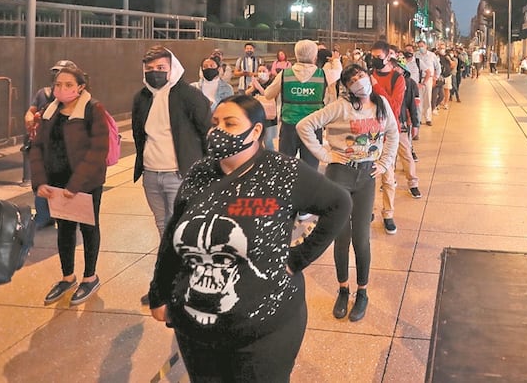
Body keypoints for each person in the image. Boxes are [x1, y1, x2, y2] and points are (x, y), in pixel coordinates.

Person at [148, 95, 351, 383]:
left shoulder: (282, 171)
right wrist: (159, 292)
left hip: (262, 335)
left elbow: (339, 203)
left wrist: (297, 258)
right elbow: (172, 237)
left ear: (256, 131)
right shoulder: (198, 173)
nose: (218, 131)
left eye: (230, 123)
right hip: (195, 332)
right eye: (215, 123)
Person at [296, 64, 398, 322]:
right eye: (352, 80)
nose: (358, 82)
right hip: (339, 175)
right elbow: (304, 126)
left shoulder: (381, 104)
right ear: (346, 86)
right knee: (341, 237)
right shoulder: (340, 107)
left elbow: (393, 134)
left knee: (361, 238)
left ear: (369, 76)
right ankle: (343, 289)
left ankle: (362, 292)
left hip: (367, 176)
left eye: (361, 75)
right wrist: (324, 154)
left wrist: (384, 162)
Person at [132, 45, 212, 306]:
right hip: (151, 175)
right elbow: (138, 134)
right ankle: (166, 283)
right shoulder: (142, 98)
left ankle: (187, 284)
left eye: (161, 68)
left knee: (183, 230)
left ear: (172, 68)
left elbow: (207, 132)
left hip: (180, 175)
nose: (155, 73)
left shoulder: (189, 96)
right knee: (163, 229)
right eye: (150, 69)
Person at [29, 66, 109, 306]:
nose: (61, 89)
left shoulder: (93, 109)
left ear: (80, 87)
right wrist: (40, 182)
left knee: (88, 228)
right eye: (58, 85)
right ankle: (67, 277)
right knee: (64, 230)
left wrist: (75, 185)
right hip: (57, 183)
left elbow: (98, 151)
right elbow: (37, 147)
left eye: (68, 85)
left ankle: (90, 277)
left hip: (85, 182)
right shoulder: (49, 111)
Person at [264, 39, 339, 171]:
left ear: (296, 55)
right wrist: (335, 59)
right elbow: (338, 72)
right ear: (314, 56)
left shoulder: (284, 74)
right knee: (310, 169)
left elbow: (268, 94)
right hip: (313, 126)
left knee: (285, 167)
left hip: (289, 126)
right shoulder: (323, 75)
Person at [369, 42, 420, 235]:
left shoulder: (398, 79)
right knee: (369, 178)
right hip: (370, 132)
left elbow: (394, 106)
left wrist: (375, 87)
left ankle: (388, 214)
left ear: (387, 57)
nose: (374, 60)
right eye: (372, 56)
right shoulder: (367, 75)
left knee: (388, 177)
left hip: (390, 131)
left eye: (378, 57)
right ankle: (368, 211)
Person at [24, 59, 78, 229]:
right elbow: (31, 111)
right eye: (55, 73)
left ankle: (67, 216)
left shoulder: (78, 97)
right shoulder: (44, 93)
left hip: (66, 149)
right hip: (44, 147)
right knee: (42, 182)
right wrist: (30, 118)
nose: (56, 77)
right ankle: (44, 216)